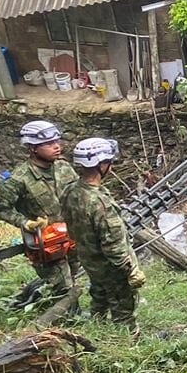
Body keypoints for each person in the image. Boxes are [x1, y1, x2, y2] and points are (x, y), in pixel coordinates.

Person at [61, 137, 144, 335]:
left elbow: (71, 228)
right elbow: (114, 246)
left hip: (89, 260)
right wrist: (130, 271)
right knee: (123, 310)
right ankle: (129, 345)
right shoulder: (100, 202)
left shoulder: (71, 191)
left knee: (99, 298)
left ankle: (97, 334)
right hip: (110, 267)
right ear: (102, 165)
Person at [0, 119, 80, 300]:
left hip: (70, 235)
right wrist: (25, 222)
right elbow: (1, 207)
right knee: (62, 286)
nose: (56, 147)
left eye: (57, 142)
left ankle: (67, 309)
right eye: (48, 144)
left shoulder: (64, 167)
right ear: (33, 148)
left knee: (73, 275)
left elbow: (78, 194)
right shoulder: (19, 179)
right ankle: (66, 317)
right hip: (46, 241)